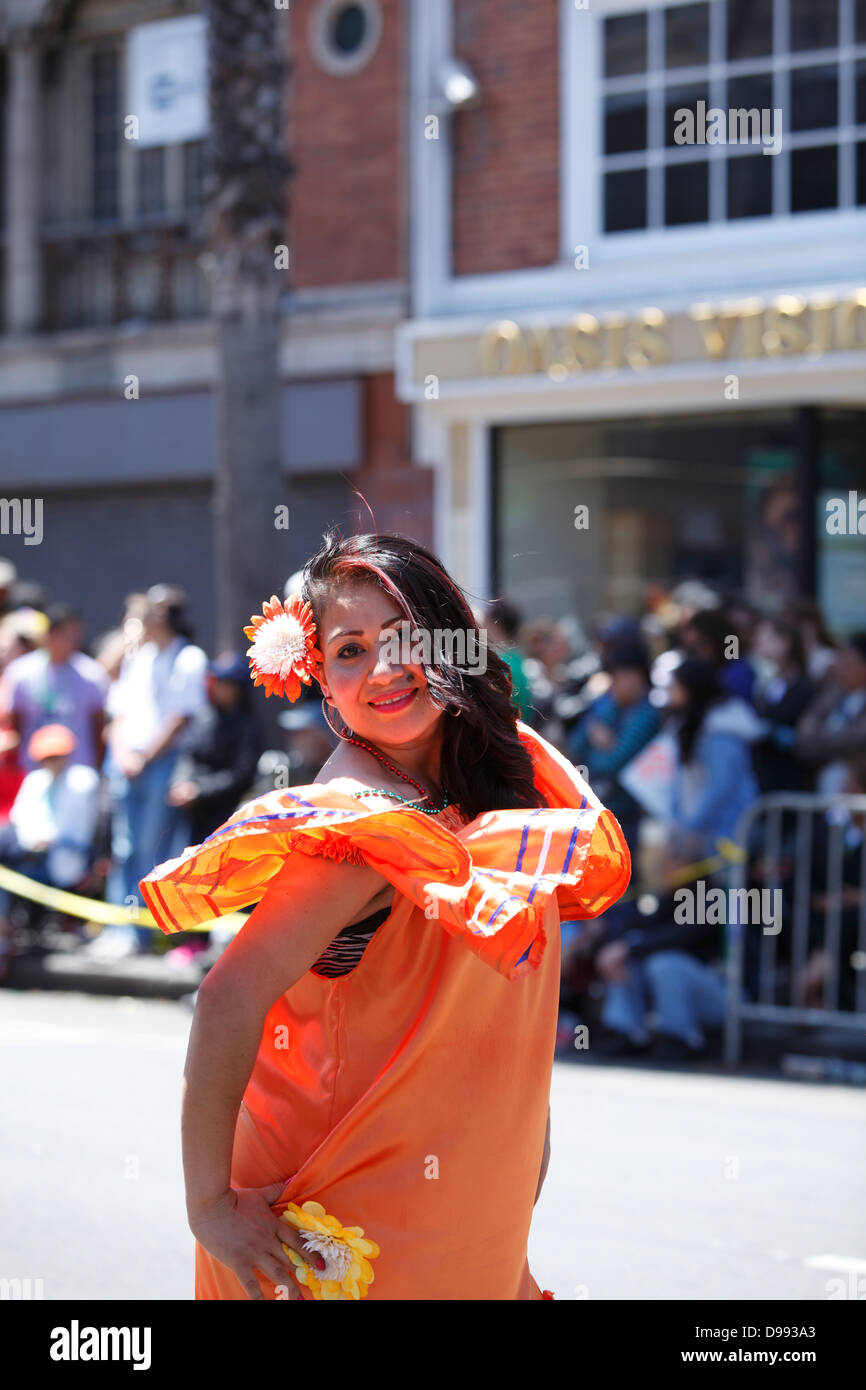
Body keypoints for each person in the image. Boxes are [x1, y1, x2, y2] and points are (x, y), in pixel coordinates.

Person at [139, 531, 631, 1301]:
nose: (383, 669)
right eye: (349, 651)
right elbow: (227, 996)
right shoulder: (356, 823)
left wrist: (518, 1154)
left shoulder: (491, 783)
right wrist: (208, 1206)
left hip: (453, 1210)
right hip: (346, 1221)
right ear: (323, 684)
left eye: (403, 638)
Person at [102, 585, 207, 953]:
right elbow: (117, 712)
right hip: (128, 763)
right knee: (123, 847)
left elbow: (180, 718)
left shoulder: (189, 657)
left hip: (163, 764)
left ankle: (139, 934)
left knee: (149, 848)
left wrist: (143, 757)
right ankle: (118, 927)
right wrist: (123, 755)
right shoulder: (140, 656)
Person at [2, 603, 109, 772]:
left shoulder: (92, 674)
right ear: (50, 633)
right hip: (35, 769)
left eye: (76, 633)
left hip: (79, 771)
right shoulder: (20, 672)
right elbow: (16, 723)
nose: (74, 639)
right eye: (67, 633)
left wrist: (97, 769)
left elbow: (99, 727)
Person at [750, 616, 815, 794]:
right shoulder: (766, 682)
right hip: (764, 779)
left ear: (785, 641)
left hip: (790, 781)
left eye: (766, 636)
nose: (758, 641)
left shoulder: (804, 687)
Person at [795, 633, 866, 795]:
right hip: (822, 790)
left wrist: (825, 738)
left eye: (848, 663)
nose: (840, 668)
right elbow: (804, 736)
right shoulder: (830, 694)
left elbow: (858, 739)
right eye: (839, 661)